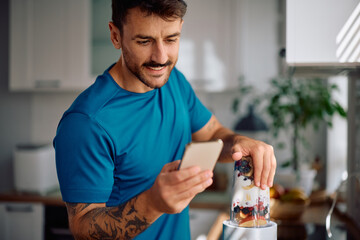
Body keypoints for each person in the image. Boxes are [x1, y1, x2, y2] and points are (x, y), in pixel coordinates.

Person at [53, 0, 276, 239]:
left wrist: (240, 142)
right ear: (116, 36)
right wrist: (152, 204)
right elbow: (82, 227)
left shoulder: (174, 82)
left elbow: (211, 135)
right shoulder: (86, 123)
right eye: (144, 41)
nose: (160, 57)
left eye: (171, 39)